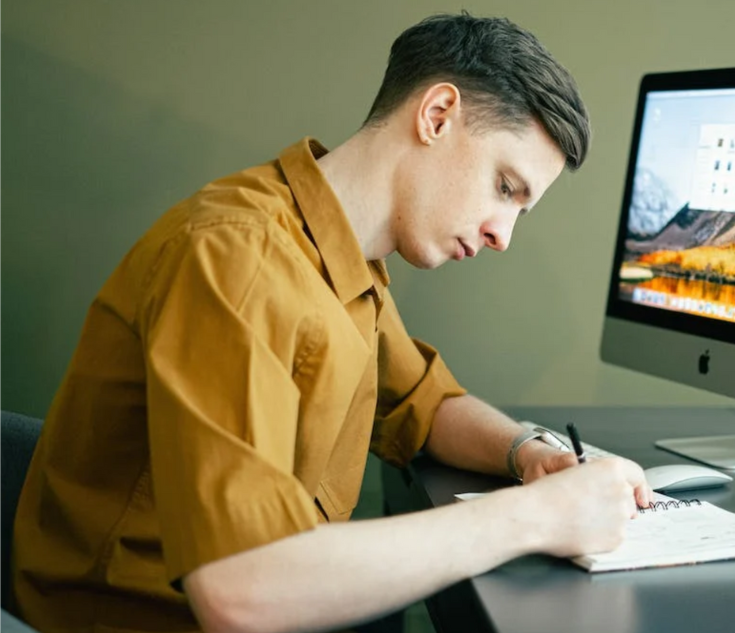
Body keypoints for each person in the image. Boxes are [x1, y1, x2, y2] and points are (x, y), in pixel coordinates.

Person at [12, 13, 651, 633]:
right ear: (437, 115)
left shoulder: (343, 257)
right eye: (505, 187)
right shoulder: (238, 258)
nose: (502, 235)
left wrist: (527, 456)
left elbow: (425, 405)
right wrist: (532, 519)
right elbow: (241, 591)